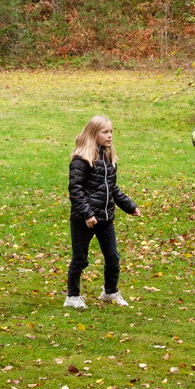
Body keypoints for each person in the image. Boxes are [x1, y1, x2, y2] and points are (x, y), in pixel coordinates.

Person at [65, 114, 138, 310]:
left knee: (113, 257)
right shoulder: (81, 160)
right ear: (93, 133)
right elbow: (76, 190)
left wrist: (129, 206)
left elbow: (112, 188)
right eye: (105, 132)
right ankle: (72, 296)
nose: (110, 136)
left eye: (111, 132)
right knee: (80, 259)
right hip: (84, 219)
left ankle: (110, 292)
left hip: (105, 218)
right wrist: (87, 214)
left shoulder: (107, 158)